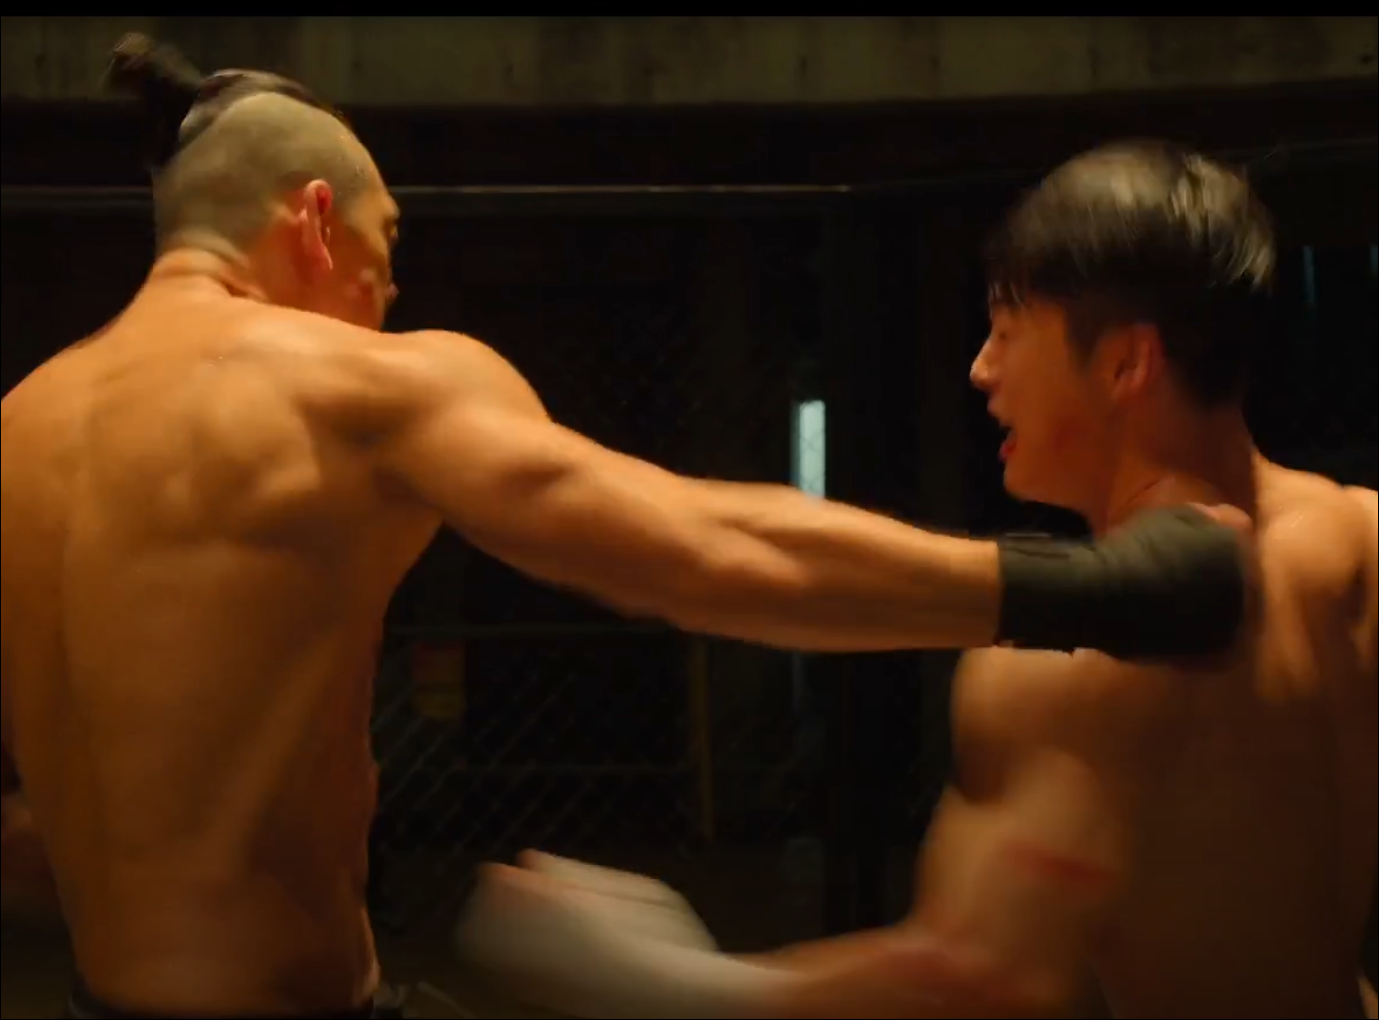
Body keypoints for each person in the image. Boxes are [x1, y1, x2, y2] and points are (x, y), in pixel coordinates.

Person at [0, 35, 1252, 1019]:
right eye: (384, 249)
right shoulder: (357, 389)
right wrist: (1098, 590)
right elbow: (697, 552)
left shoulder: (22, 426)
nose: (388, 293)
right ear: (315, 221)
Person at [457, 140, 1379, 1018]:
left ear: (1125, 363)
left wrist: (645, 977)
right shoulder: (1360, 536)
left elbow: (980, 979)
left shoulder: (1066, 670)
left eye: (1008, 331)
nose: (980, 369)